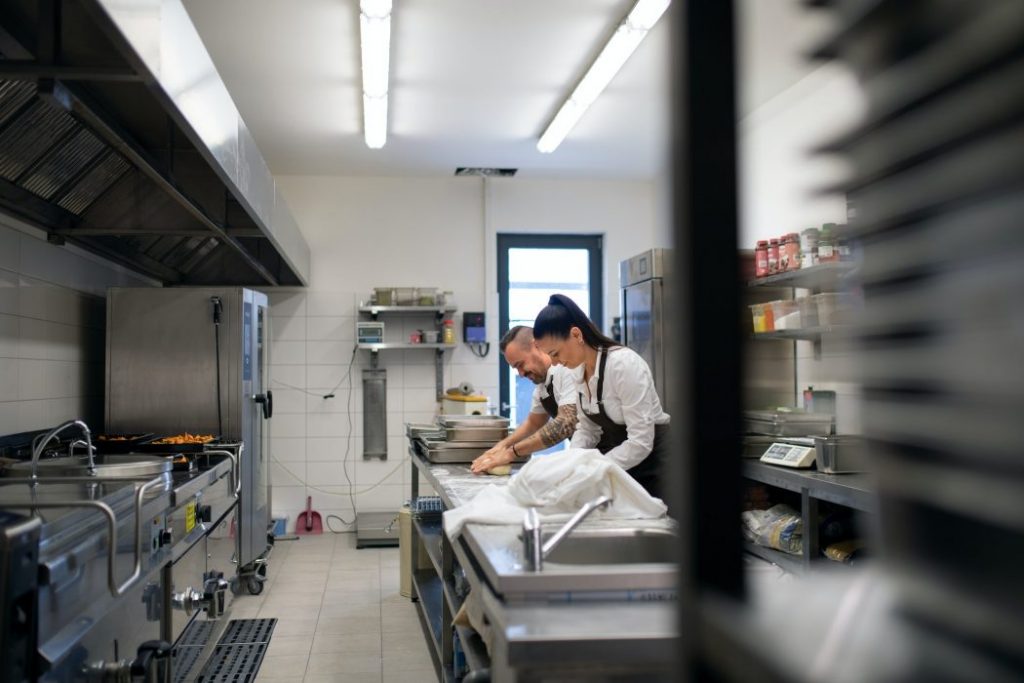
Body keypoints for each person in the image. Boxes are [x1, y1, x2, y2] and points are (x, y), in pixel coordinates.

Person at [533, 293, 670, 499]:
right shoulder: (577, 371)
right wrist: (570, 464)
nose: (554, 363)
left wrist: (594, 467)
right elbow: (588, 429)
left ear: (577, 335)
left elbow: (641, 442)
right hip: (626, 468)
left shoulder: (623, 365)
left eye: (555, 353)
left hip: (659, 469)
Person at [470, 325, 578, 474]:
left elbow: (565, 424)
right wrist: (502, 445)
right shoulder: (542, 387)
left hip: (612, 458)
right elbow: (533, 423)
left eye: (520, 365)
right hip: (588, 458)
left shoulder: (567, 370)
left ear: (537, 345)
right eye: (516, 369)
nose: (520, 374)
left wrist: (510, 453)